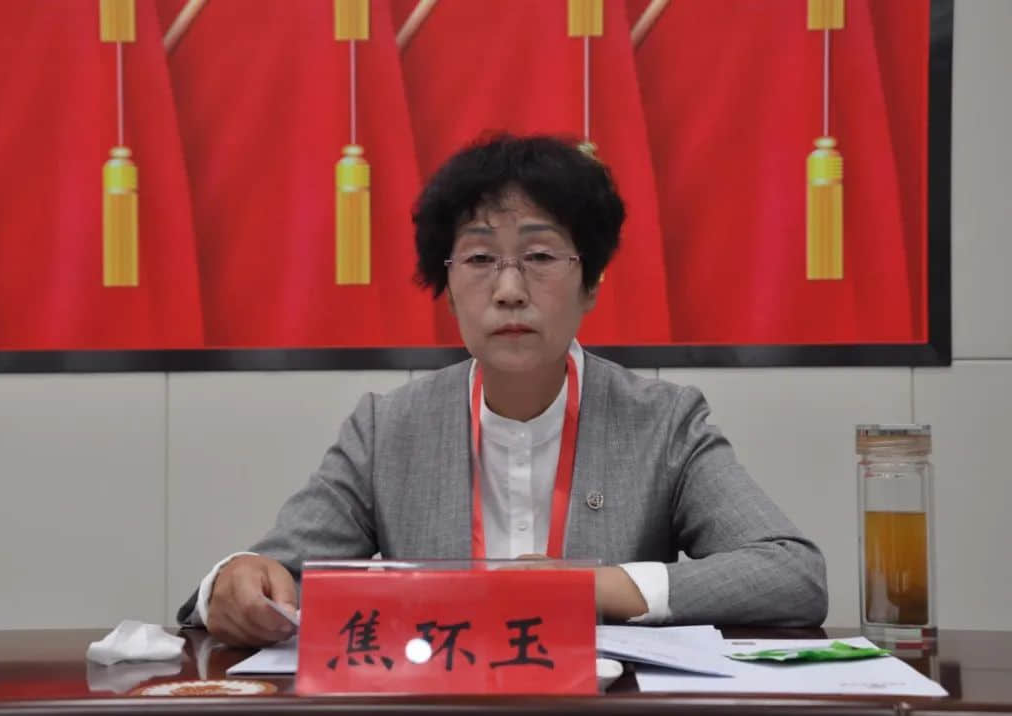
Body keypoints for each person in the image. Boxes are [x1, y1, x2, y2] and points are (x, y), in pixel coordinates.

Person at [178, 135, 828, 646]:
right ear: (447, 286)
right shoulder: (389, 428)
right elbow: (275, 574)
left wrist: (593, 588)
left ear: (591, 283)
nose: (510, 289)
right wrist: (232, 583)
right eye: (481, 259)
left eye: (540, 258)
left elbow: (791, 574)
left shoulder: (663, 422)